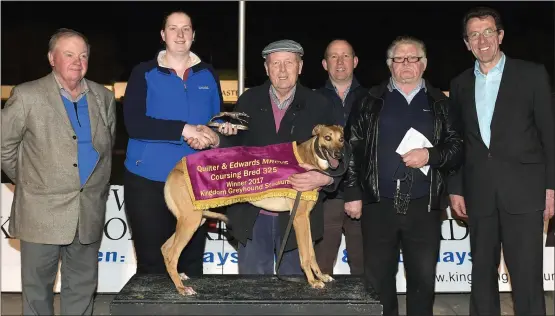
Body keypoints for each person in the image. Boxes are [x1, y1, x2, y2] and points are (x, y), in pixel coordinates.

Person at [197, 39, 343, 275]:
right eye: (276, 64)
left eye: (289, 63)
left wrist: (325, 179)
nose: (282, 70)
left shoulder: (320, 105)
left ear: (300, 67)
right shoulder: (248, 100)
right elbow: (236, 148)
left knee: (294, 297)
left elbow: (339, 153)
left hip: (298, 214)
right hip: (253, 214)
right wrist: (218, 139)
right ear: (266, 68)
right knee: (253, 295)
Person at [343, 36, 463, 316]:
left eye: (413, 58)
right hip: (378, 203)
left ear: (424, 64)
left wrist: (430, 155)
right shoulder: (369, 99)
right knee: (378, 280)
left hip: (424, 204)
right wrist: (352, 194)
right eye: (399, 59)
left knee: (422, 280)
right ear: (390, 65)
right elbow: (352, 148)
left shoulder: (441, 103)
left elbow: (457, 148)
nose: (406, 64)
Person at [1, 28, 116, 315]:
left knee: (81, 290)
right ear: (52, 58)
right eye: (69, 54)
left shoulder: (103, 97)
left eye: (83, 55)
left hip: (87, 212)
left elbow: (107, 147)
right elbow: (5, 147)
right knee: (37, 293)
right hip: (41, 211)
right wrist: (32, 182)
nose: (77, 61)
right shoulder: (26, 95)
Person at [448, 6, 554, 316]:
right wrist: (455, 187)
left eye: (488, 33)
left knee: (527, 277)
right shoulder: (459, 84)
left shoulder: (532, 74)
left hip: (524, 192)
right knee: (481, 274)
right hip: (479, 192)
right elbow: (457, 141)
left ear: (501, 36)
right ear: (467, 43)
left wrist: (552, 186)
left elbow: (549, 133)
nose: (482, 41)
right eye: (474, 35)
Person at [122, 11, 223, 278]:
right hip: (148, 180)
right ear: (163, 35)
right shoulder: (143, 72)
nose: (180, 35)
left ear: (193, 35)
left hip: (194, 180)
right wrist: (183, 129)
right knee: (153, 265)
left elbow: (215, 120)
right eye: (173, 28)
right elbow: (135, 123)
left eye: (186, 29)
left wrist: (214, 136)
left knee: (190, 264)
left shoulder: (208, 74)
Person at [314, 39, 367, 276]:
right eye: (334, 57)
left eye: (345, 56)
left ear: (355, 61)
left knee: (365, 267)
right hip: (326, 194)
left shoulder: (372, 98)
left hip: (364, 194)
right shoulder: (312, 100)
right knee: (321, 266)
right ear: (325, 64)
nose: (340, 62)